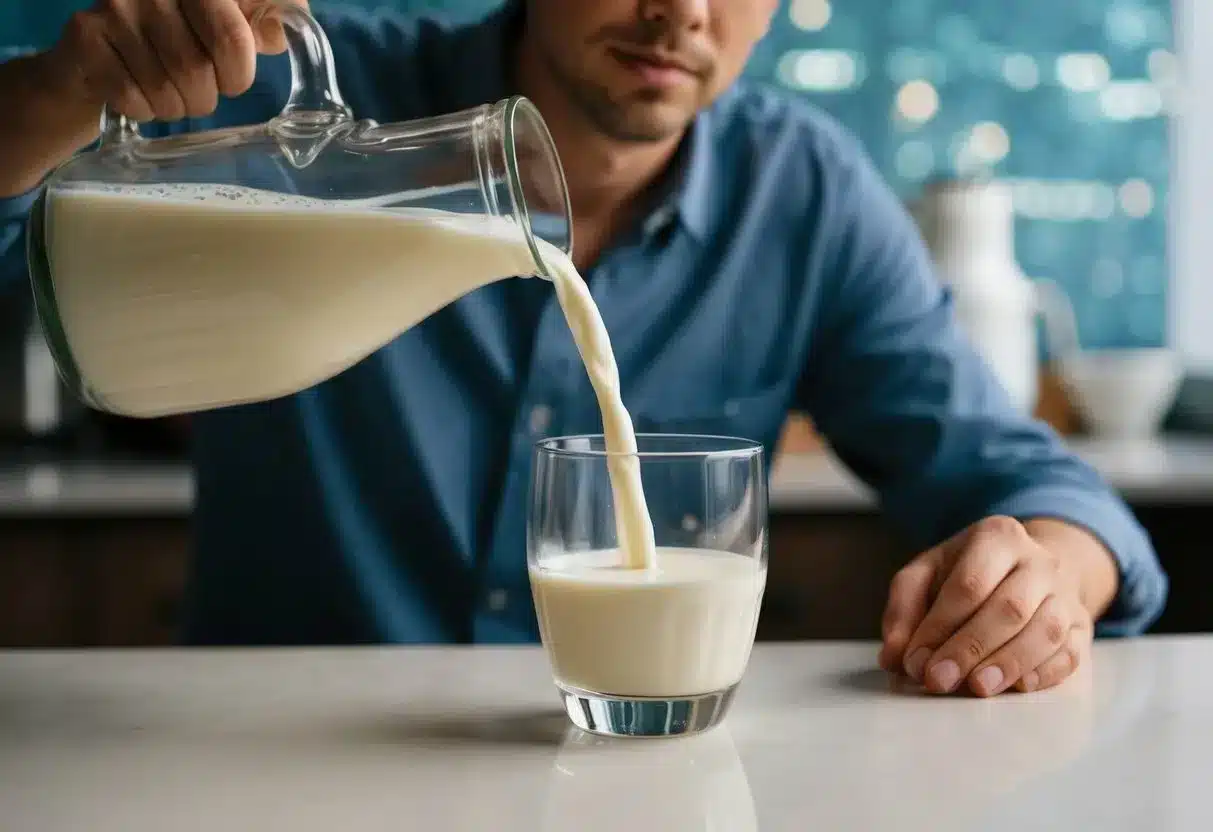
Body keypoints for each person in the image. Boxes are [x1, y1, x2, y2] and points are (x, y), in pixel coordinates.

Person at [0, 0, 1166, 696]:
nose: (678, 13)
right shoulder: (304, 98)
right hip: (263, 768)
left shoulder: (801, 195)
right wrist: (66, 87)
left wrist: (1049, 570)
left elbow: (1025, 479)